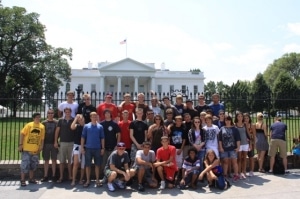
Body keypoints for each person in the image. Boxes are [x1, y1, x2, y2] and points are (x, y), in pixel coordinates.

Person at [19, 113, 45, 187]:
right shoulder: (29, 125)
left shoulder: (42, 127)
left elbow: (42, 138)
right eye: (36, 117)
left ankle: (31, 178)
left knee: (33, 165)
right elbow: (22, 134)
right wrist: (20, 144)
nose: (38, 119)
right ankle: (22, 179)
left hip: (35, 150)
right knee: (24, 165)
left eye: (39, 117)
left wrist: (41, 146)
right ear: (33, 118)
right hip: (27, 149)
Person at [81, 112, 105, 187]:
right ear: (90, 117)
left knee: (97, 165)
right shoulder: (86, 126)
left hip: (97, 148)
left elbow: (102, 138)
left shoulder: (100, 127)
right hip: (88, 148)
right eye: (93, 116)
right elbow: (83, 137)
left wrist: (103, 148)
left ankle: (97, 180)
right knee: (88, 165)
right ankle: (88, 180)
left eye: (95, 116)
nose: (94, 117)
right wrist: (82, 147)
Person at [54, 107, 74, 183]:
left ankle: (70, 176)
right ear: (64, 112)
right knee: (62, 161)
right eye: (66, 112)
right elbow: (57, 131)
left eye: (69, 112)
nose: (67, 113)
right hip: (62, 142)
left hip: (71, 142)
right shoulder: (60, 121)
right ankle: (61, 176)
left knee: (70, 161)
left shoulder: (73, 120)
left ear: (70, 112)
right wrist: (55, 141)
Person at [218, 115, 240, 182]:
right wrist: (221, 147)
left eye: (229, 120)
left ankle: (236, 175)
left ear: (231, 121)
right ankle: (225, 174)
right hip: (224, 148)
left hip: (233, 148)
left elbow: (238, 139)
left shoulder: (235, 129)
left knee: (234, 162)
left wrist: (238, 147)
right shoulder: (222, 128)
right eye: (226, 120)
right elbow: (220, 139)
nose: (227, 121)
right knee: (225, 162)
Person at [100, 109, 121, 175]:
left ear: (110, 114)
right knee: (104, 163)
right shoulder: (101, 124)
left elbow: (119, 134)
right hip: (104, 147)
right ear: (104, 115)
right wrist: (101, 147)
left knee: (112, 163)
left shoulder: (114, 124)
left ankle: (113, 177)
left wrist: (117, 145)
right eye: (106, 113)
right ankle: (105, 176)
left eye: (108, 113)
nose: (107, 114)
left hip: (113, 147)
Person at [41, 109, 58, 182]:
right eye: (49, 113)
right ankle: (45, 175)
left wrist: (56, 141)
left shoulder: (56, 122)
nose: (50, 114)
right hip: (46, 143)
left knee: (54, 160)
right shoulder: (44, 123)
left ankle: (54, 175)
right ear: (47, 114)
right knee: (46, 160)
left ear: (53, 114)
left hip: (54, 143)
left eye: (52, 113)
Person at [167, 115, 186, 183]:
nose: (179, 122)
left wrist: (181, 149)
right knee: (172, 162)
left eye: (180, 121)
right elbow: (169, 138)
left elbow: (184, 140)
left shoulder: (183, 129)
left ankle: (178, 176)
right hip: (172, 148)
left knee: (179, 163)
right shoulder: (172, 128)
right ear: (175, 121)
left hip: (179, 148)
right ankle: (172, 175)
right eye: (177, 121)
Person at [70, 114, 85, 186]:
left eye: (81, 119)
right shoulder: (77, 126)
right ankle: (73, 179)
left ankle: (81, 179)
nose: (80, 120)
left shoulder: (86, 126)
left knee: (83, 164)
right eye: (79, 120)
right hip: (77, 146)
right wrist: (76, 119)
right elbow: (72, 127)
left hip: (85, 146)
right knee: (75, 163)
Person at [234, 111, 249, 179]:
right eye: (239, 116)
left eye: (241, 116)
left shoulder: (245, 124)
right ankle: (239, 172)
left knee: (244, 159)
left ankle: (244, 171)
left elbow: (247, 133)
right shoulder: (235, 125)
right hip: (239, 144)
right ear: (236, 117)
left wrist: (250, 142)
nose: (240, 118)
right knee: (239, 159)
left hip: (245, 143)